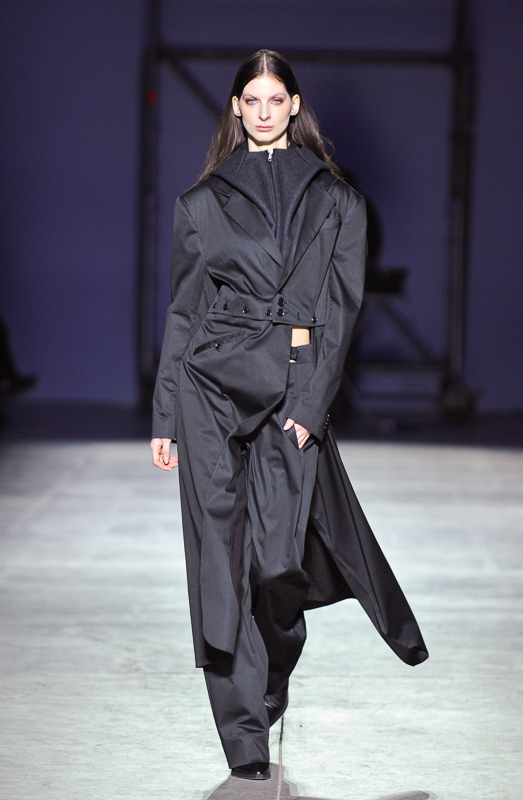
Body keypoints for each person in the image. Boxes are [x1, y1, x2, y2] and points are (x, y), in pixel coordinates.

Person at [150, 49, 428, 782]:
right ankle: (242, 731)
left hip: (292, 391)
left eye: (277, 99)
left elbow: (343, 308)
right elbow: (183, 312)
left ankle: (269, 678)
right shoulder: (200, 204)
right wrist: (166, 412)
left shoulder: (337, 201)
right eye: (253, 99)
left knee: (278, 566)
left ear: (295, 106)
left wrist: (311, 403)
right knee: (219, 563)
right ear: (236, 108)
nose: (265, 111)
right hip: (210, 388)